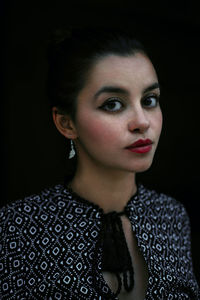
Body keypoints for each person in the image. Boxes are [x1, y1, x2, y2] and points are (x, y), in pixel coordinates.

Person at [0, 27, 199, 300]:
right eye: (113, 104)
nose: (142, 122)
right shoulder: (18, 226)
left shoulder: (172, 217)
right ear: (66, 123)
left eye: (150, 100)